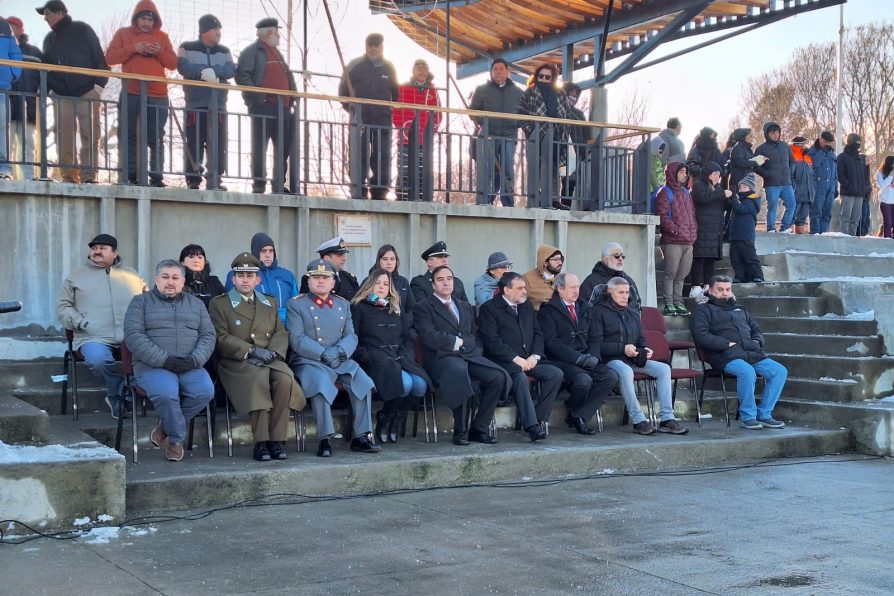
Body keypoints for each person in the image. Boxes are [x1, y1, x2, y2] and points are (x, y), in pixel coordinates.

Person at [210, 253, 306, 461]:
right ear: (233, 279)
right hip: (237, 362)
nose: (245, 280)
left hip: (268, 359)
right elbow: (220, 338)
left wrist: (272, 353)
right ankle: (261, 442)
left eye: (250, 275)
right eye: (240, 275)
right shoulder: (220, 304)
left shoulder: (269, 303)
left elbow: (281, 331)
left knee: (284, 379)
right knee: (258, 379)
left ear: (258, 280)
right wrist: (252, 351)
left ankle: (277, 441)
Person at [123, 259, 215, 462]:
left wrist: (194, 360)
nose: (170, 282)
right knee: (166, 394)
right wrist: (164, 360)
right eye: (165, 277)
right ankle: (175, 439)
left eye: (175, 278)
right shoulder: (140, 302)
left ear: (183, 281)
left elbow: (208, 335)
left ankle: (165, 428)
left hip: (189, 364)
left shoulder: (196, 304)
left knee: (205, 391)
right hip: (153, 366)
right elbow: (134, 336)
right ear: (156, 279)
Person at [287, 259, 380, 457]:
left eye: (325, 277)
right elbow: (296, 339)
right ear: (309, 281)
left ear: (333, 282)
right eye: (316, 277)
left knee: (363, 382)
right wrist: (321, 353)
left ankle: (362, 436)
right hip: (310, 359)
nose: (320, 281)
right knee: (320, 385)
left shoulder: (343, 304)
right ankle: (325, 439)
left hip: (339, 358)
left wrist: (340, 352)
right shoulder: (297, 304)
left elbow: (351, 335)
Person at [412, 265, 510, 445]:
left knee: (497, 376)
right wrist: (457, 343)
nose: (446, 283)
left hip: (468, 355)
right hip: (440, 359)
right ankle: (460, 430)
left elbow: (474, 334)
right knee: (457, 371)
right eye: (440, 280)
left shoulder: (464, 306)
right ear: (433, 285)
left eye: (449, 278)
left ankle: (479, 428)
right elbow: (429, 336)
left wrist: (470, 348)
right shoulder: (423, 307)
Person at [55, 234, 148, 419]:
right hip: (92, 336)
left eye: (102, 248)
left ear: (115, 253)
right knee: (98, 360)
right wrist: (80, 322)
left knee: (150, 355)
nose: (96, 251)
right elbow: (63, 307)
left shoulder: (132, 275)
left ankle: (133, 392)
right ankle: (119, 392)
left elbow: (148, 302)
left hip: (128, 336)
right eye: (94, 248)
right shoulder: (76, 276)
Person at [589, 278, 688, 435]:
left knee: (663, 369)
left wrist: (645, 349)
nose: (625, 296)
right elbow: (596, 344)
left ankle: (667, 419)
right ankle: (638, 420)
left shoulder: (633, 313)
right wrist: (623, 348)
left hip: (633, 358)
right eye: (620, 292)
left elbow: (641, 339)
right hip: (611, 360)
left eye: (627, 292)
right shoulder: (598, 312)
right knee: (625, 371)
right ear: (610, 292)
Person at [691, 275, 788, 430]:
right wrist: (725, 344)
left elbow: (756, 330)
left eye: (728, 289)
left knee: (779, 371)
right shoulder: (703, 311)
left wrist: (757, 342)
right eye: (720, 290)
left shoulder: (740, 309)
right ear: (710, 291)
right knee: (747, 372)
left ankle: (764, 414)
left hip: (751, 352)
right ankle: (748, 417)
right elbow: (701, 335)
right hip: (724, 355)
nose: (725, 293)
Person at [478, 272, 563, 441]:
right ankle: (531, 427)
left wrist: (535, 356)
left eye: (524, 287)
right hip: (504, 362)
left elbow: (538, 333)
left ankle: (538, 419)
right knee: (520, 377)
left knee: (555, 374)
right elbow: (492, 341)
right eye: (520, 288)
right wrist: (516, 359)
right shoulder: (490, 308)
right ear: (506, 290)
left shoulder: (526, 306)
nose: (525, 291)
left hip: (529, 360)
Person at [351, 269, 430, 443]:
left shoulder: (394, 307)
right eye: (378, 283)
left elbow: (406, 338)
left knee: (420, 385)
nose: (381, 287)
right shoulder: (359, 306)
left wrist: (407, 355)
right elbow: (353, 340)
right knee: (406, 383)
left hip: (398, 357)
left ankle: (394, 416)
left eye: (385, 284)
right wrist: (370, 356)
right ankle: (385, 416)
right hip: (373, 360)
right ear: (370, 285)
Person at [105, 0, 177, 187]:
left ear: (155, 21)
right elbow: (110, 58)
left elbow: (173, 63)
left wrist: (159, 52)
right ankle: (130, 175)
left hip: (158, 93)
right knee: (128, 133)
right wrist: (133, 48)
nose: (147, 23)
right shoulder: (123, 34)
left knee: (156, 136)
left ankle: (157, 176)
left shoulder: (163, 37)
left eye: (150, 20)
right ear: (136, 19)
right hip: (131, 91)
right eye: (143, 19)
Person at [37, 0, 109, 184]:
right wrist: (52, 90)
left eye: (48, 13)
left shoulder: (82, 29)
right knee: (63, 135)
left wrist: (99, 85)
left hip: (88, 91)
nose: (45, 18)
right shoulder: (49, 39)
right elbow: (47, 67)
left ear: (60, 13)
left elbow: (98, 56)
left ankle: (89, 176)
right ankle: (68, 176)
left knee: (90, 134)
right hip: (62, 95)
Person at [538, 272, 618, 434]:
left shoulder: (585, 308)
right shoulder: (548, 310)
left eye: (578, 287)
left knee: (611, 377)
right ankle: (575, 411)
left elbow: (595, 337)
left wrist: (594, 356)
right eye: (572, 287)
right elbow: (551, 343)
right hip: (563, 359)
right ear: (560, 289)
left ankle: (579, 414)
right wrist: (578, 358)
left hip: (586, 357)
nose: (576, 291)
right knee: (583, 380)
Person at [236, 18, 297, 194]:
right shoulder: (252, 51)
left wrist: (292, 95)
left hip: (283, 108)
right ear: (269, 33)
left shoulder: (277, 53)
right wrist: (259, 96)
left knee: (282, 147)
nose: (279, 35)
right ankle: (259, 184)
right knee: (260, 146)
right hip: (263, 107)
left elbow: (286, 76)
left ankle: (279, 184)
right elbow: (242, 76)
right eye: (277, 32)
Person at [177, 14, 236, 191]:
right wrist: (204, 73)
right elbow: (183, 66)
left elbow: (231, 69)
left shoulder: (224, 50)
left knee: (218, 143)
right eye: (215, 29)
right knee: (194, 141)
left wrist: (214, 72)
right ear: (204, 30)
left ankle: (215, 178)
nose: (219, 33)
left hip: (218, 104)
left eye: (219, 29)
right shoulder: (186, 47)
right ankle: (193, 179)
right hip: (196, 103)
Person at [339, 33, 398, 200]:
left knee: (382, 155)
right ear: (366, 46)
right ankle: (358, 188)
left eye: (376, 45)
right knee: (358, 154)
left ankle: (380, 191)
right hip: (361, 120)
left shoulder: (389, 68)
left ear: (382, 47)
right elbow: (343, 92)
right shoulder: (355, 66)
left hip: (382, 119)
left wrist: (387, 111)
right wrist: (354, 111)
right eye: (370, 45)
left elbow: (396, 93)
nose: (373, 48)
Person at [517, 63, 574, 210]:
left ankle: (554, 199)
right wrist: (530, 131)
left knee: (554, 167)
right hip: (536, 134)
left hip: (557, 134)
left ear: (552, 78)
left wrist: (564, 131)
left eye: (547, 77)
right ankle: (536, 199)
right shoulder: (530, 92)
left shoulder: (560, 94)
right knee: (537, 167)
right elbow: (521, 113)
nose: (543, 79)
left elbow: (567, 114)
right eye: (540, 76)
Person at [469, 58, 523, 206]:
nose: (498, 72)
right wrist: (483, 123)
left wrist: (515, 124)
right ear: (491, 72)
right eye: (495, 69)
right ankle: (485, 200)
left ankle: (508, 201)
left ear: (508, 71)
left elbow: (524, 113)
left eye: (501, 69)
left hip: (509, 136)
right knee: (487, 169)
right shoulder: (481, 90)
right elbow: (472, 110)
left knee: (507, 170)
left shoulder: (518, 92)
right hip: (488, 136)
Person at [392, 58, 440, 201]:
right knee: (404, 170)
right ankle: (401, 198)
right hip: (406, 138)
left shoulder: (432, 91)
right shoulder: (403, 88)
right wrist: (404, 127)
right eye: (418, 67)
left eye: (425, 67)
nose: (422, 70)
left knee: (423, 169)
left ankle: (422, 198)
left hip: (425, 139)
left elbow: (438, 113)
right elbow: (395, 111)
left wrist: (432, 130)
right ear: (413, 71)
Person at [224, 232, 298, 323]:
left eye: (271, 251)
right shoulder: (240, 274)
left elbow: (296, 304)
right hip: (254, 325)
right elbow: (233, 304)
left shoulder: (287, 275)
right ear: (255, 252)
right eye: (263, 251)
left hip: (285, 326)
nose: (268, 255)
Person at [656, 162, 697, 316]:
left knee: (682, 275)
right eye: (681, 172)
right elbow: (662, 215)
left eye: (685, 172)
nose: (684, 175)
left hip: (688, 241)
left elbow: (692, 215)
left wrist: (693, 234)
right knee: (670, 273)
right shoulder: (665, 192)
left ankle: (678, 303)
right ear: (673, 173)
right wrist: (675, 230)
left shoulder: (686, 193)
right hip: (672, 241)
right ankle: (669, 304)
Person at [6, 16, 41, 181]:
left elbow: (45, 79)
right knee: (6, 142)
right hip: (8, 105)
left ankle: (27, 178)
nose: (9, 29)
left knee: (28, 145)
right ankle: (4, 174)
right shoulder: (2, 49)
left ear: (20, 29)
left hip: (29, 106)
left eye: (12, 26)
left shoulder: (35, 53)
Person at [690, 161, 732, 290]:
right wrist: (722, 194)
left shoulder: (718, 188)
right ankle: (696, 286)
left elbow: (723, 206)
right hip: (702, 229)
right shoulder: (699, 186)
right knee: (699, 258)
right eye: (714, 173)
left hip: (715, 231)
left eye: (718, 174)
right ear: (707, 173)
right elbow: (704, 198)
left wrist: (730, 198)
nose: (717, 177)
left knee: (710, 260)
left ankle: (708, 286)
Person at [754, 122, 796, 233]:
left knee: (792, 205)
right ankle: (771, 228)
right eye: (773, 132)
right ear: (767, 134)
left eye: (777, 132)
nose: (776, 134)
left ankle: (785, 227)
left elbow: (793, 162)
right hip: (772, 184)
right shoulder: (761, 149)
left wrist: (790, 173)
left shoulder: (785, 146)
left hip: (787, 183)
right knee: (772, 207)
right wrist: (767, 174)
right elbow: (755, 166)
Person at [580, 242, 642, 313]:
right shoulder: (591, 282)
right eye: (617, 256)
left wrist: (634, 323)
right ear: (606, 259)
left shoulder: (628, 281)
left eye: (623, 256)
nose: (620, 259)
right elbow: (585, 312)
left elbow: (637, 307)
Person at [728, 174, 764, 283]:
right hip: (735, 234)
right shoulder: (740, 199)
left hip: (745, 234)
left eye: (744, 187)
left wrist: (734, 197)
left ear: (750, 189)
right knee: (735, 258)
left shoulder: (751, 200)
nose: (742, 190)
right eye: (741, 187)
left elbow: (741, 209)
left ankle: (757, 275)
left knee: (750, 256)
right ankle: (740, 276)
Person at [299, 237, 359, 301]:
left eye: (344, 255)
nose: (344, 259)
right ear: (327, 258)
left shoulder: (350, 278)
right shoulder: (310, 278)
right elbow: (306, 305)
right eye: (339, 255)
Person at [837, 133, 872, 236]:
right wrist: (849, 184)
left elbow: (865, 176)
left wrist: (866, 188)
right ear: (850, 142)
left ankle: (852, 238)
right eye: (856, 143)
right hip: (848, 193)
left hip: (860, 194)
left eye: (859, 143)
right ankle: (844, 238)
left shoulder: (861, 159)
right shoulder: (842, 157)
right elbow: (840, 174)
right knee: (846, 218)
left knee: (855, 219)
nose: (858, 145)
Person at [806, 131, 838, 234]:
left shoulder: (831, 153)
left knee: (827, 214)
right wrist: (822, 151)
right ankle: (815, 236)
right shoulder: (812, 151)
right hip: (817, 187)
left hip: (830, 188)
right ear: (819, 139)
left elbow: (835, 172)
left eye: (829, 143)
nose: (827, 144)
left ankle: (824, 235)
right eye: (825, 142)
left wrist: (835, 187)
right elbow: (813, 164)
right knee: (816, 213)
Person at [179, 243, 225, 309]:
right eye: (191, 257)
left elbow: (228, 301)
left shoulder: (214, 281)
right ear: (182, 262)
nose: (196, 260)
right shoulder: (177, 281)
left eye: (200, 257)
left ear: (204, 262)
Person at [372, 244, 414, 311]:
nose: (389, 263)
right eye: (385, 259)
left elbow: (411, 307)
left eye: (392, 259)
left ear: (396, 261)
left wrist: (406, 320)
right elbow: (363, 302)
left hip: (401, 320)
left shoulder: (403, 282)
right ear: (378, 261)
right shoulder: (370, 281)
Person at [523, 244, 563, 311]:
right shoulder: (527, 279)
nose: (560, 263)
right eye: (556, 260)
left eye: (561, 259)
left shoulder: (562, 278)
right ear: (545, 262)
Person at [790, 136, 816, 234]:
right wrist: (794, 188)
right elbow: (790, 176)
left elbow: (812, 175)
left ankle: (799, 242)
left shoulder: (807, 156)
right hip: (796, 193)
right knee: (791, 216)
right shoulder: (792, 156)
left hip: (808, 194)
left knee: (802, 219)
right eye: (803, 144)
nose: (805, 146)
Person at [728, 128, 767, 192]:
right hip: (739, 183)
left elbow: (750, 162)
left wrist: (761, 159)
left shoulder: (748, 149)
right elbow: (741, 162)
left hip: (747, 182)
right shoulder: (738, 148)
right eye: (750, 136)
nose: (753, 138)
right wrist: (756, 162)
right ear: (744, 137)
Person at [876, 156, 894, 238]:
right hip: (885, 201)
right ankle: (887, 239)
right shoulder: (880, 173)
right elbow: (882, 186)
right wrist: (890, 176)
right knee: (888, 222)